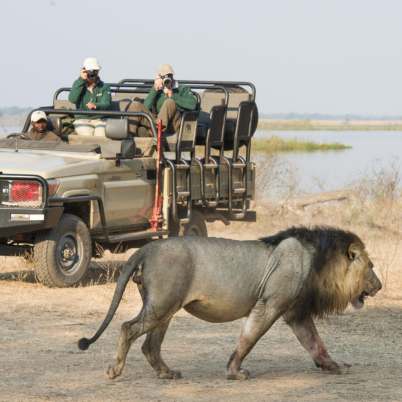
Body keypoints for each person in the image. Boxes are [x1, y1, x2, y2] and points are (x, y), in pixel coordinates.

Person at [129, 64, 198, 137]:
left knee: (169, 102)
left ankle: (158, 129)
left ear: (172, 76)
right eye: (163, 77)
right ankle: (129, 138)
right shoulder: (158, 89)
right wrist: (154, 90)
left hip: (173, 125)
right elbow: (146, 107)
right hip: (156, 122)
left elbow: (193, 104)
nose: (167, 79)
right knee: (135, 105)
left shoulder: (182, 89)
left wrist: (173, 96)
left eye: (169, 76)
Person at [68, 57, 112, 137]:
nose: (92, 74)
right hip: (82, 119)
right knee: (87, 135)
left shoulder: (104, 87)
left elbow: (106, 103)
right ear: (84, 71)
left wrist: (95, 105)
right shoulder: (78, 84)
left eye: (95, 71)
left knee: (101, 135)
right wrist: (81, 79)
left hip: (100, 119)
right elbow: (72, 99)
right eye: (90, 71)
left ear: (98, 72)